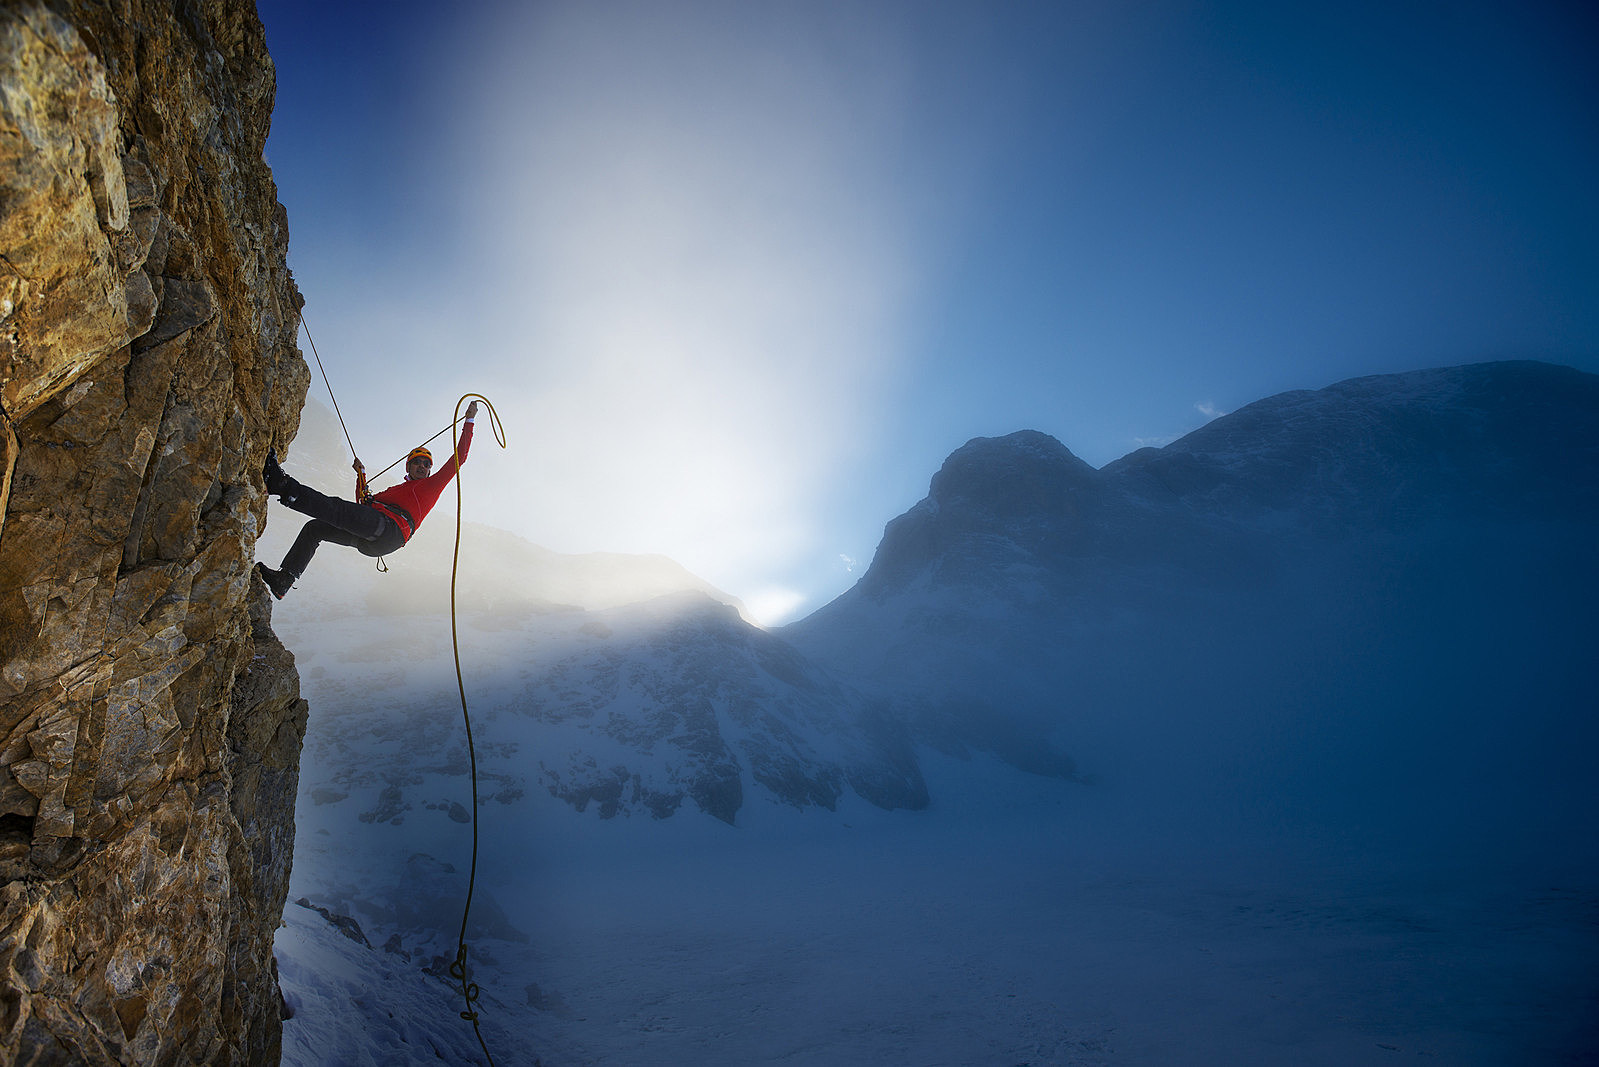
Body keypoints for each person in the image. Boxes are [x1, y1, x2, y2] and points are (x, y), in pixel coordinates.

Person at [255, 401, 479, 599]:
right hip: (378, 539)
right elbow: (364, 504)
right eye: (417, 462)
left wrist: (469, 420)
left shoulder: (431, 486)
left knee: (337, 510)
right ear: (408, 466)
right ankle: (285, 580)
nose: (422, 466)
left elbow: (460, 457)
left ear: (430, 470)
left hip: (390, 529)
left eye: (426, 464)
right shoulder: (395, 491)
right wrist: (360, 475)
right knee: (315, 529)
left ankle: (279, 484)